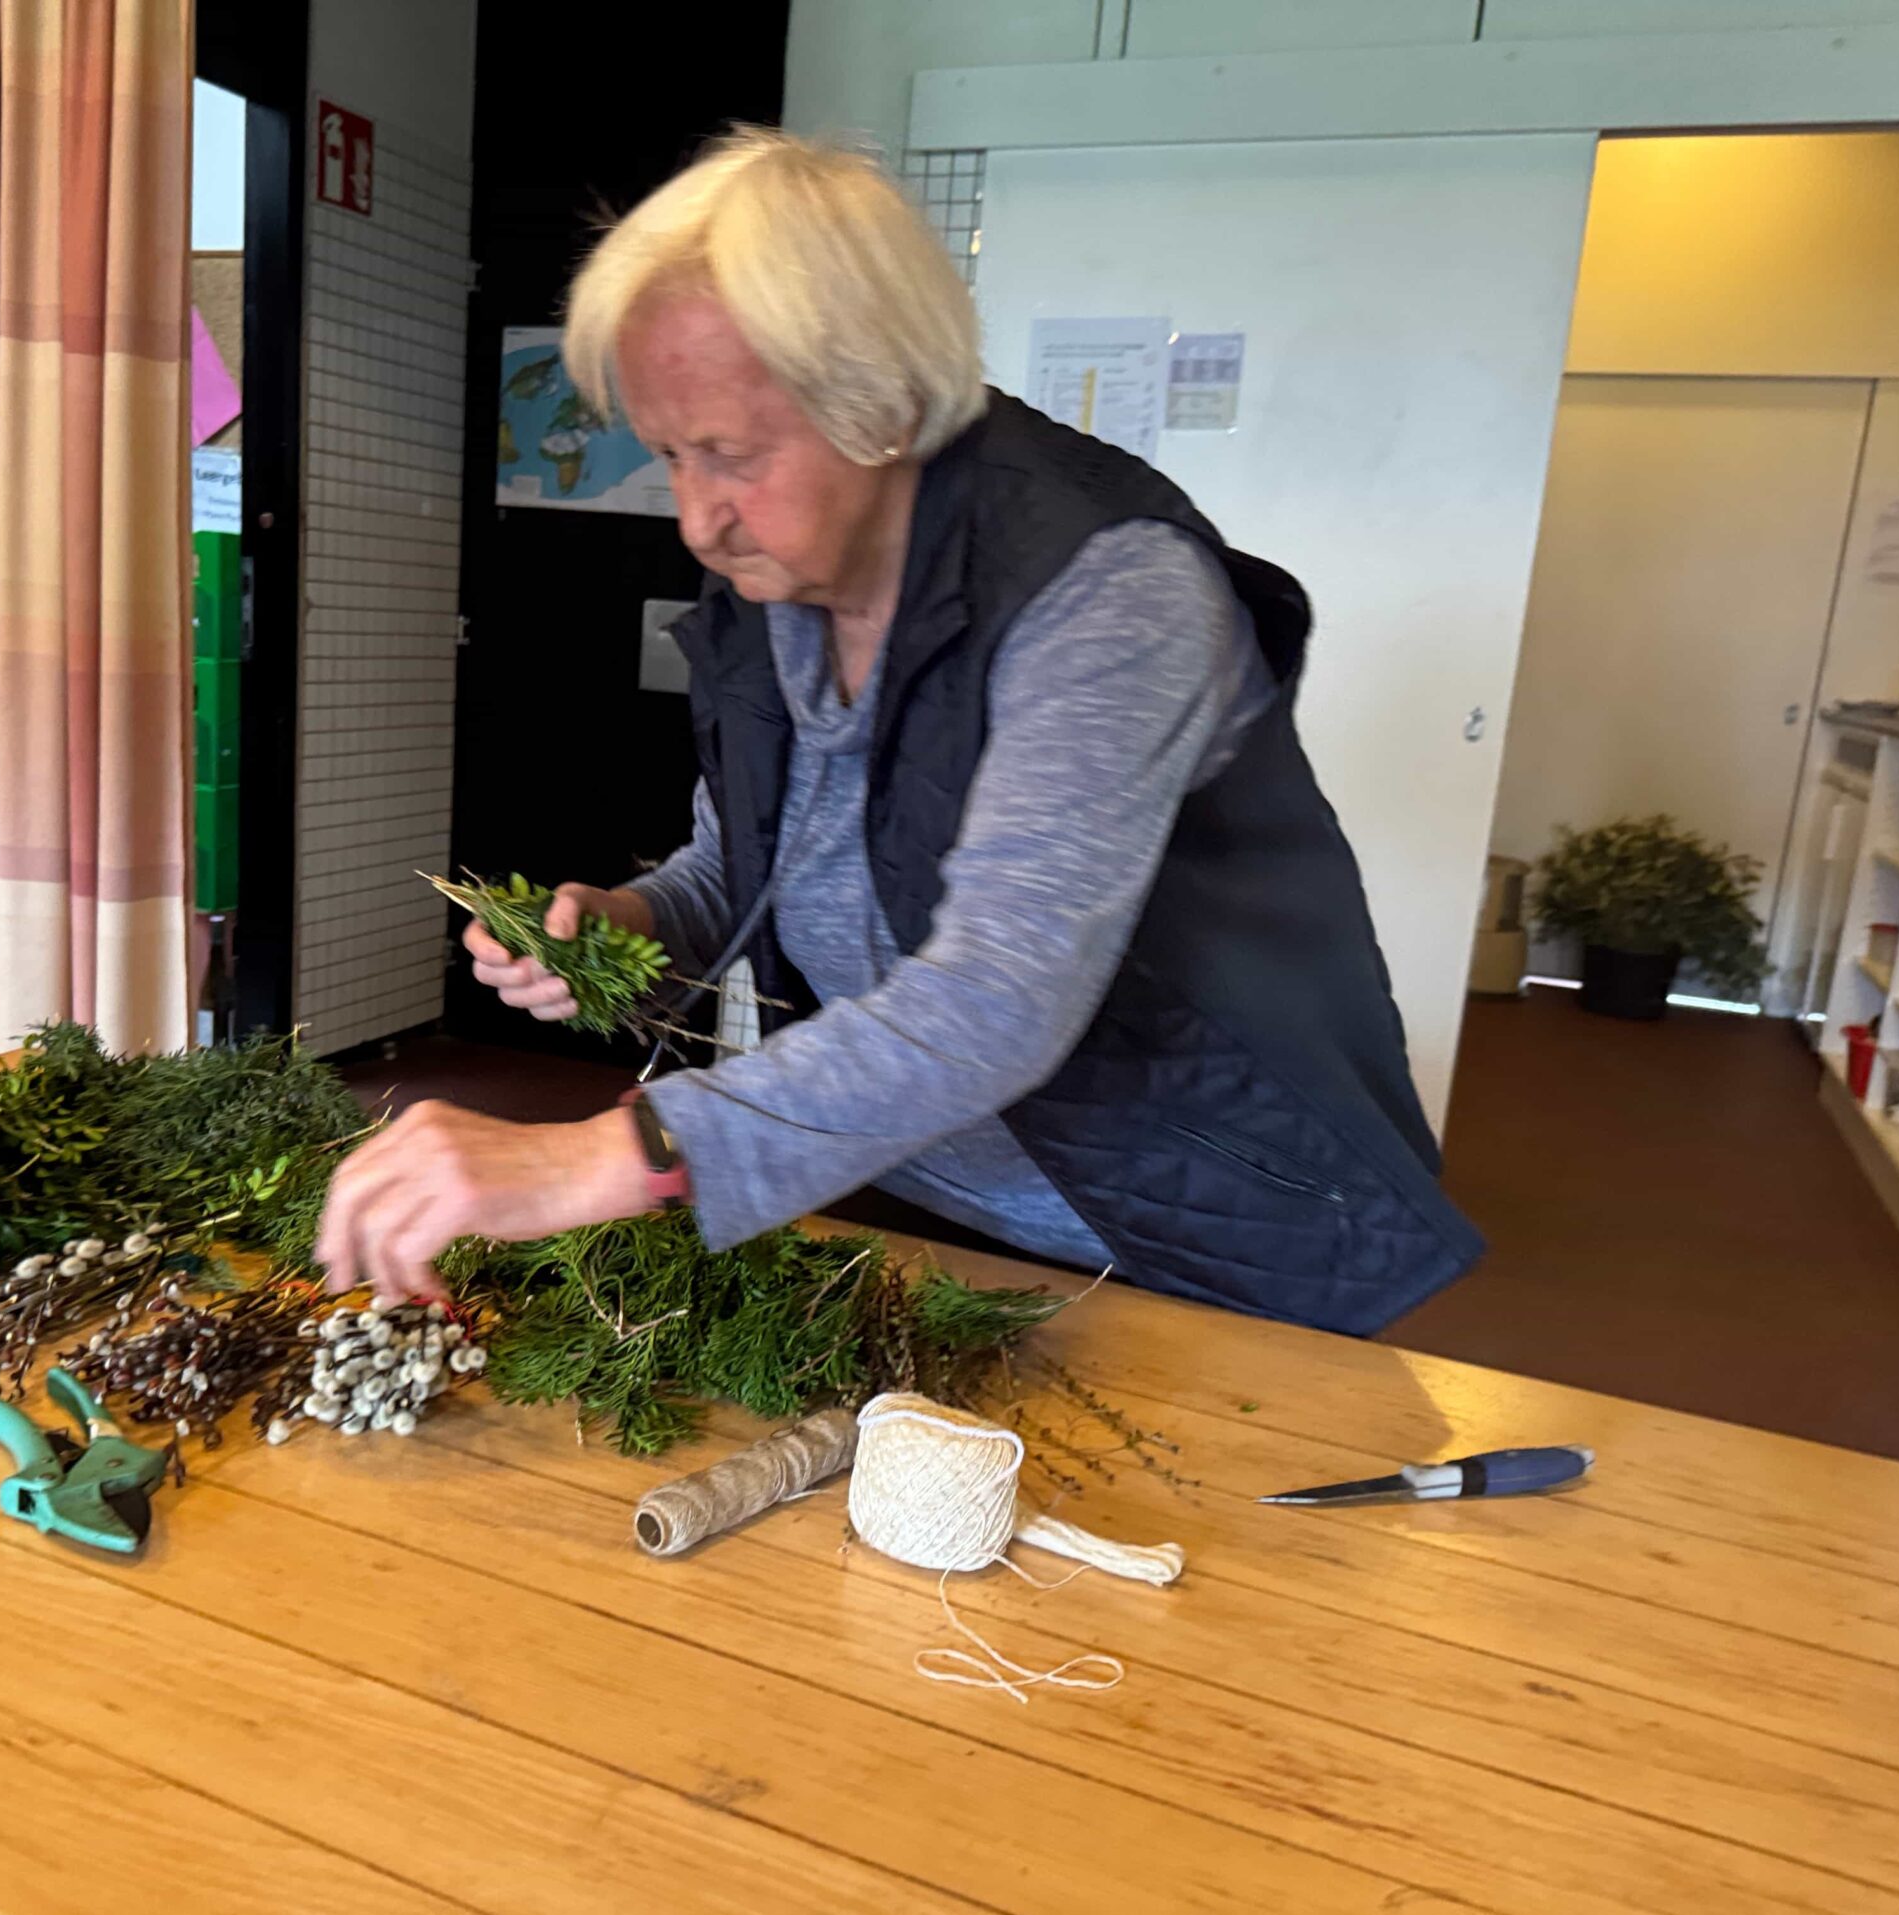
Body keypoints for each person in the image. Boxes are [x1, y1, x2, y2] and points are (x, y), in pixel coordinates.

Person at [315, 129, 1481, 1334]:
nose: (698, 520)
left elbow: (996, 996)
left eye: (730, 455)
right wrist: (633, 923)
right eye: (668, 456)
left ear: (878, 402)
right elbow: (746, 867)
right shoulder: (775, 575)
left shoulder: (1105, 589)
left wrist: (610, 1156)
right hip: (905, 1187)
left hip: (1177, 1231)